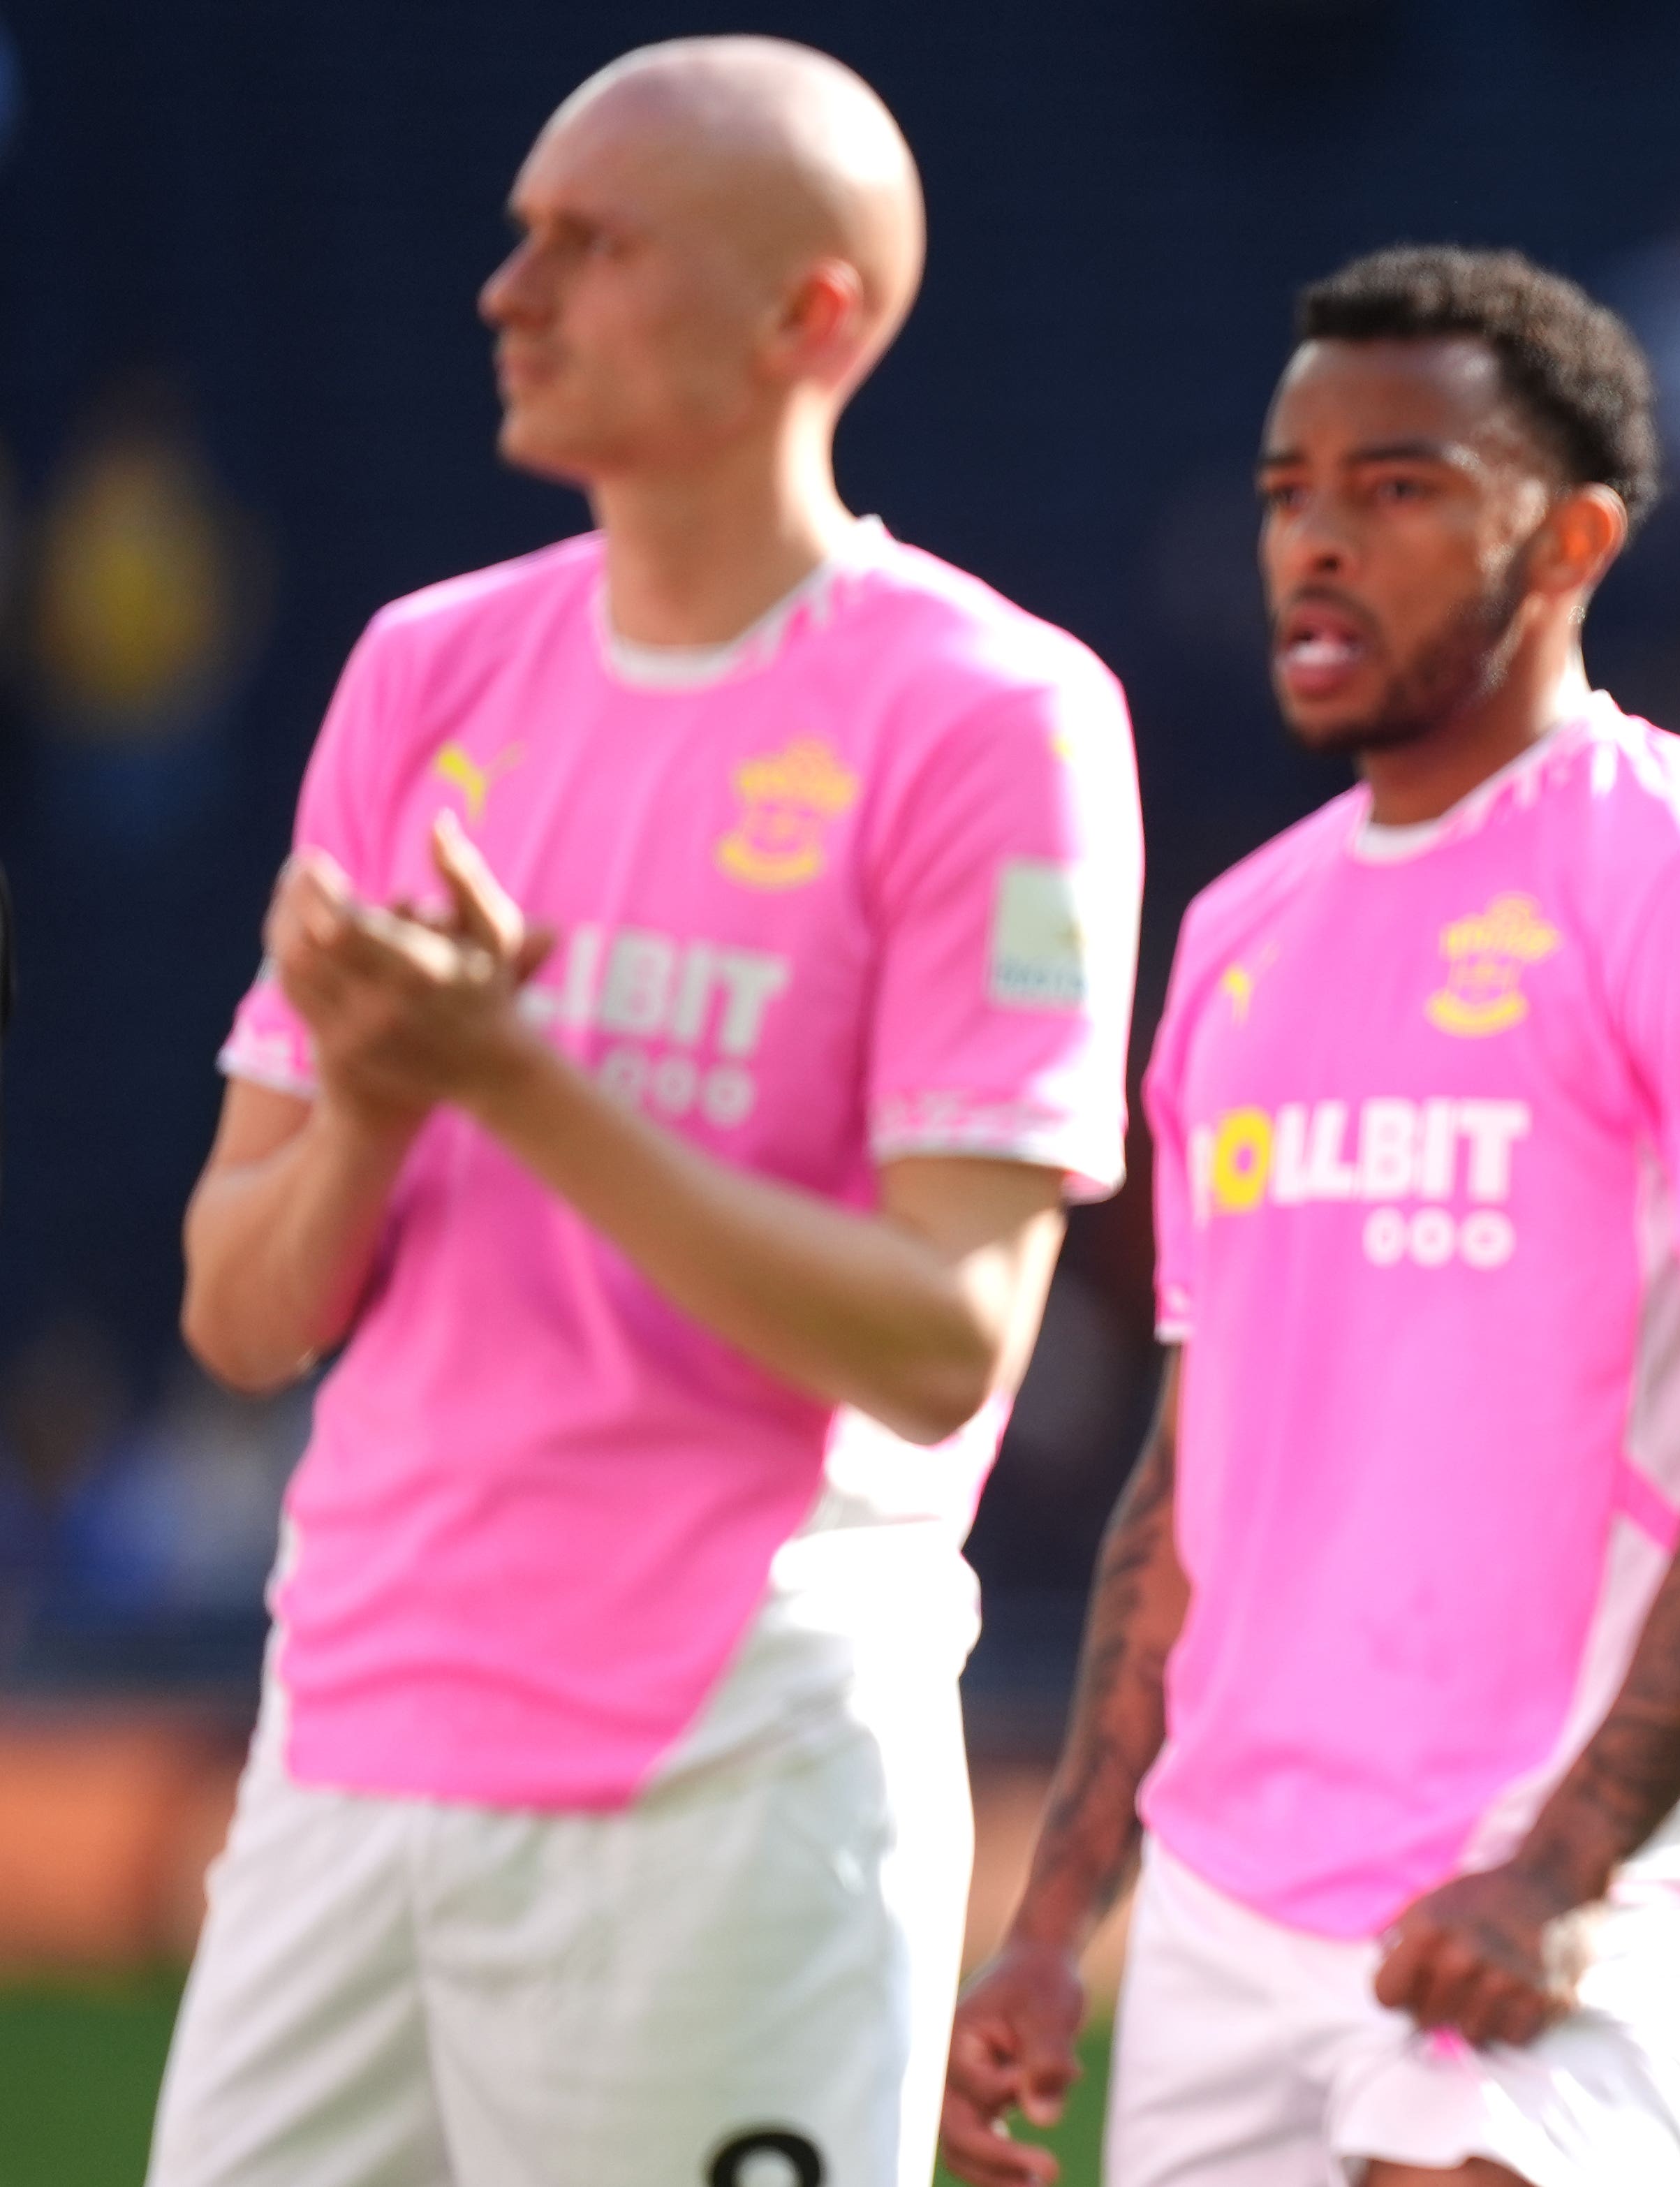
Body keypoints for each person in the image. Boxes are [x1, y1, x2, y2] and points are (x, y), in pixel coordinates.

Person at [151, 39, 1142, 2187]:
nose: (509, 291)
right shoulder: (424, 670)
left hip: (732, 1754)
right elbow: (242, 1311)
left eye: (590, 246)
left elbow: (942, 1330)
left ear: (814, 318)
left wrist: (513, 1076)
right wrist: (380, 1107)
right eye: (519, 237)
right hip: (354, 1725)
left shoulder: (993, 713)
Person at [940, 246, 1680, 2187]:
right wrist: (1059, 1917)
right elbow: (1195, 1476)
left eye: (1393, 488)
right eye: (1286, 491)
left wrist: (1562, 1866)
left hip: (1544, 1878)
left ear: (1565, 541)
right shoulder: (1238, 938)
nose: (1313, 542)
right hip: (1225, 1907)